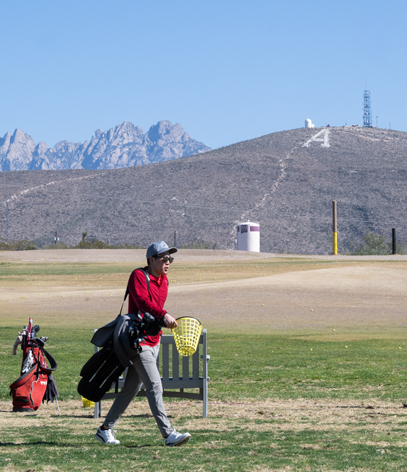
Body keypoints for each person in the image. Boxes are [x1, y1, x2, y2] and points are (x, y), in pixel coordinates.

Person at [95, 241, 191, 447]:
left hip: (153, 341)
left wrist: (162, 320)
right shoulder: (138, 276)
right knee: (155, 385)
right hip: (138, 343)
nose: (168, 262)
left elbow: (154, 309)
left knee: (130, 389)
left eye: (170, 259)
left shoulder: (164, 281)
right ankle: (168, 434)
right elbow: (142, 301)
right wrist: (163, 314)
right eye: (164, 258)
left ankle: (105, 429)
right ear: (151, 260)